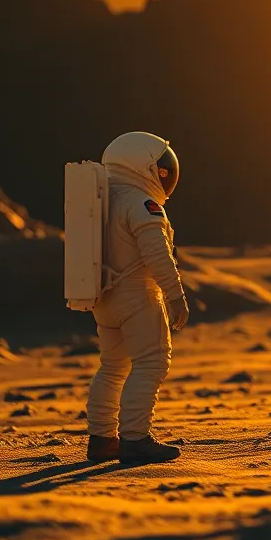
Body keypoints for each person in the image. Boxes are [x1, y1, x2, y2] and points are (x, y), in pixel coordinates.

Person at [86, 132, 190, 464]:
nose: (165, 177)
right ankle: (135, 439)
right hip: (137, 295)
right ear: (141, 165)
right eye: (160, 170)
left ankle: (102, 440)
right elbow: (157, 254)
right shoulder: (142, 204)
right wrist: (175, 296)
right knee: (152, 362)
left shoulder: (101, 200)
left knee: (112, 367)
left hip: (103, 296)